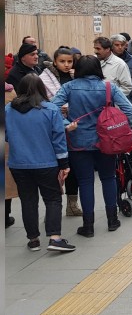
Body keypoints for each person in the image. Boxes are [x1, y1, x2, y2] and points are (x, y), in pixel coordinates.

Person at [52, 56, 132, 236]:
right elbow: (129, 109)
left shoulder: (69, 87)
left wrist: (66, 122)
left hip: (78, 141)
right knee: (108, 178)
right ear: (98, 68)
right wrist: (123, 127)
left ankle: (88, 226)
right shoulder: (108, 87)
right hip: (107, 141)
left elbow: (52, 109)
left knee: (85, 181)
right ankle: (112, 220)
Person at [6, 75, 76, 252]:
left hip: (18, 164)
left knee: (28, 200)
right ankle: (54, 238)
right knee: (52, 198)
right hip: (46, 162)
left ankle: (33, 239)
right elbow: (58, 139)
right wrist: (64, 163)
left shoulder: (8, 110)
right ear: (41, 89)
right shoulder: (50, 109)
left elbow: (6, 136)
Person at [38, 48, 83, 217]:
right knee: (53, 171)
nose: (66, 65)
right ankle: (52, 209)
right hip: (53, 129)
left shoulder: (76, 77)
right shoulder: (44, 79)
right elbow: (42, 102)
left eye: (69, 61)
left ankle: (72, 204)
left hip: (74, 127)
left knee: (72, 169)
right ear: (55, 61)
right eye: (62, 61)